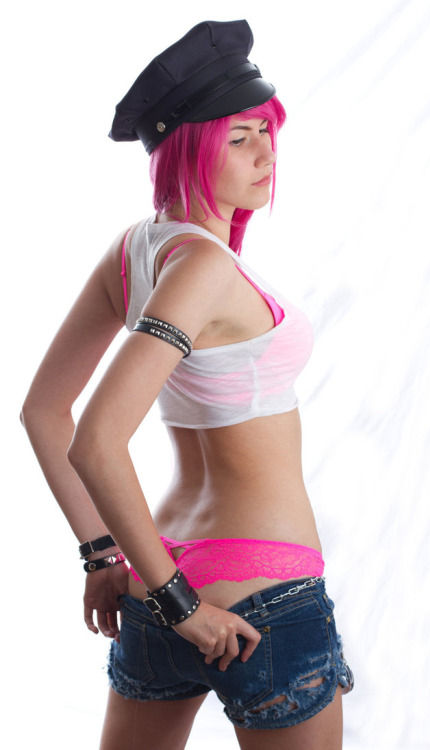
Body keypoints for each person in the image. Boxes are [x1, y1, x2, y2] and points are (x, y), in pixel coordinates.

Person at [20, 19, 354, 750]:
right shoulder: (203, 266)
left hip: (158, 582)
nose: (266, 153)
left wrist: (107, 557)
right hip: (259, 597)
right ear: (189, 148)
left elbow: (43, 411)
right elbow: (94, 439)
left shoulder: (135, 249)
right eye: (239, 138)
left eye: (266, 131)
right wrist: (186, 608)